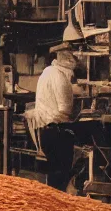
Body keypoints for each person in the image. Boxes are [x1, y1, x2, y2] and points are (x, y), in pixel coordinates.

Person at [27, 48, 78, 191]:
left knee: (54, 179)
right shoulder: (61, 77)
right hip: (55, 133)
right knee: (59, 178)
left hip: (44, 132)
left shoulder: (48, 72)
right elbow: (65, 111)